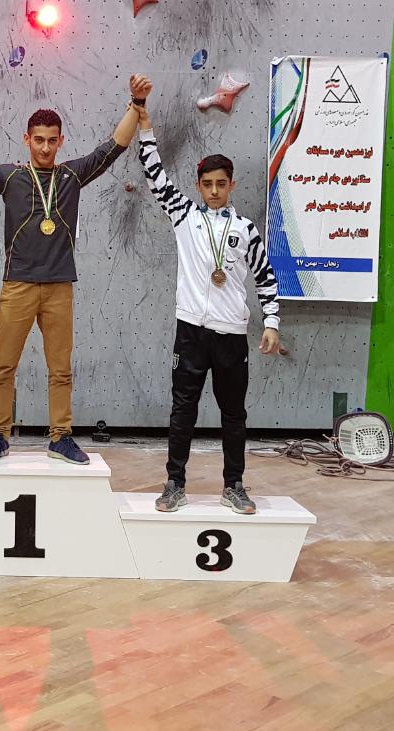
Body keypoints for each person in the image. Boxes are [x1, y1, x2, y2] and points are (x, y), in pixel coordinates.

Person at [0, 76, 152, 465]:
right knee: (4, 367)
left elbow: (115, 146)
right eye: (38, 140)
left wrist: (137, 102)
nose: (45, 147)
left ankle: (60, 437)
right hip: (18, 286)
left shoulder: (71, 176)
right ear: (26, 139)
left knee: (60, 369)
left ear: (61, 141)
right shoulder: (9, 176)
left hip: (60, 286)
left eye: (51, 140)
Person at [136, 103, 281, 515]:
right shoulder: (183, 216)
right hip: (191, 333)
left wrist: (271, 322)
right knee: (183, 411)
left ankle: (234, 485)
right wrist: (145, 127)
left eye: (221, 183)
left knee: (234, 415)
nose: (214, 190)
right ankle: (175, 484)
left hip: (231, 335)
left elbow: (266, 277)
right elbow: (155, 176)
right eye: (207, 184)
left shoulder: (246, 229)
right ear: (198, 186)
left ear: (231, 185)